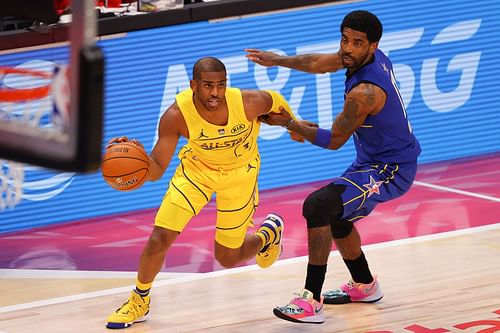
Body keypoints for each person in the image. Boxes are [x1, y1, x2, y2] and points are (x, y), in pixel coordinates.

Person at [245, 10, 421, 324]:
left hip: (391, 169)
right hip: (373, 160)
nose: (347, 48)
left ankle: (311, 300)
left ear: (373, 45)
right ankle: (365, 285)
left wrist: (289, 124)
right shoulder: (366, 57)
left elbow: (333, 141)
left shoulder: (364, 94)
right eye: (344, 39)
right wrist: (278, 60)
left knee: (318, 205)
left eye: (356, 42)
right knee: (337, 217)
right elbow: (319, 62)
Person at [105, 56, 296, 329]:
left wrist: (294, 127)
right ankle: (139, 300)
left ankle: (268, 235)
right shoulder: (176, 116)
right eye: (208, 85)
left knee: (227, 258)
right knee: (160, 236)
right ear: (194, 85)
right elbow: (157, 168)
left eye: (220, 85)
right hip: (197, 173)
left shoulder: (249, 102)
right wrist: (140, 158)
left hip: (239, 175)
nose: (215, 92)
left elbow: (276, 102)